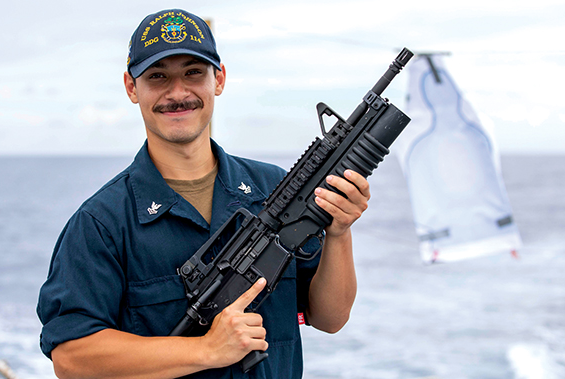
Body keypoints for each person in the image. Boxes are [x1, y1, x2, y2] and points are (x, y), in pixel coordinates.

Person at [37, 8, 370, 379]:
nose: (177, 93)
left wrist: (340, 231)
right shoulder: (103, 223)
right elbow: (71, 358)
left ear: (219, 79)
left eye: (193, 73)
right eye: (158, 77)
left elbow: (330, 318)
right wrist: (205, 350)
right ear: (132, 88)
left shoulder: (274, 189)